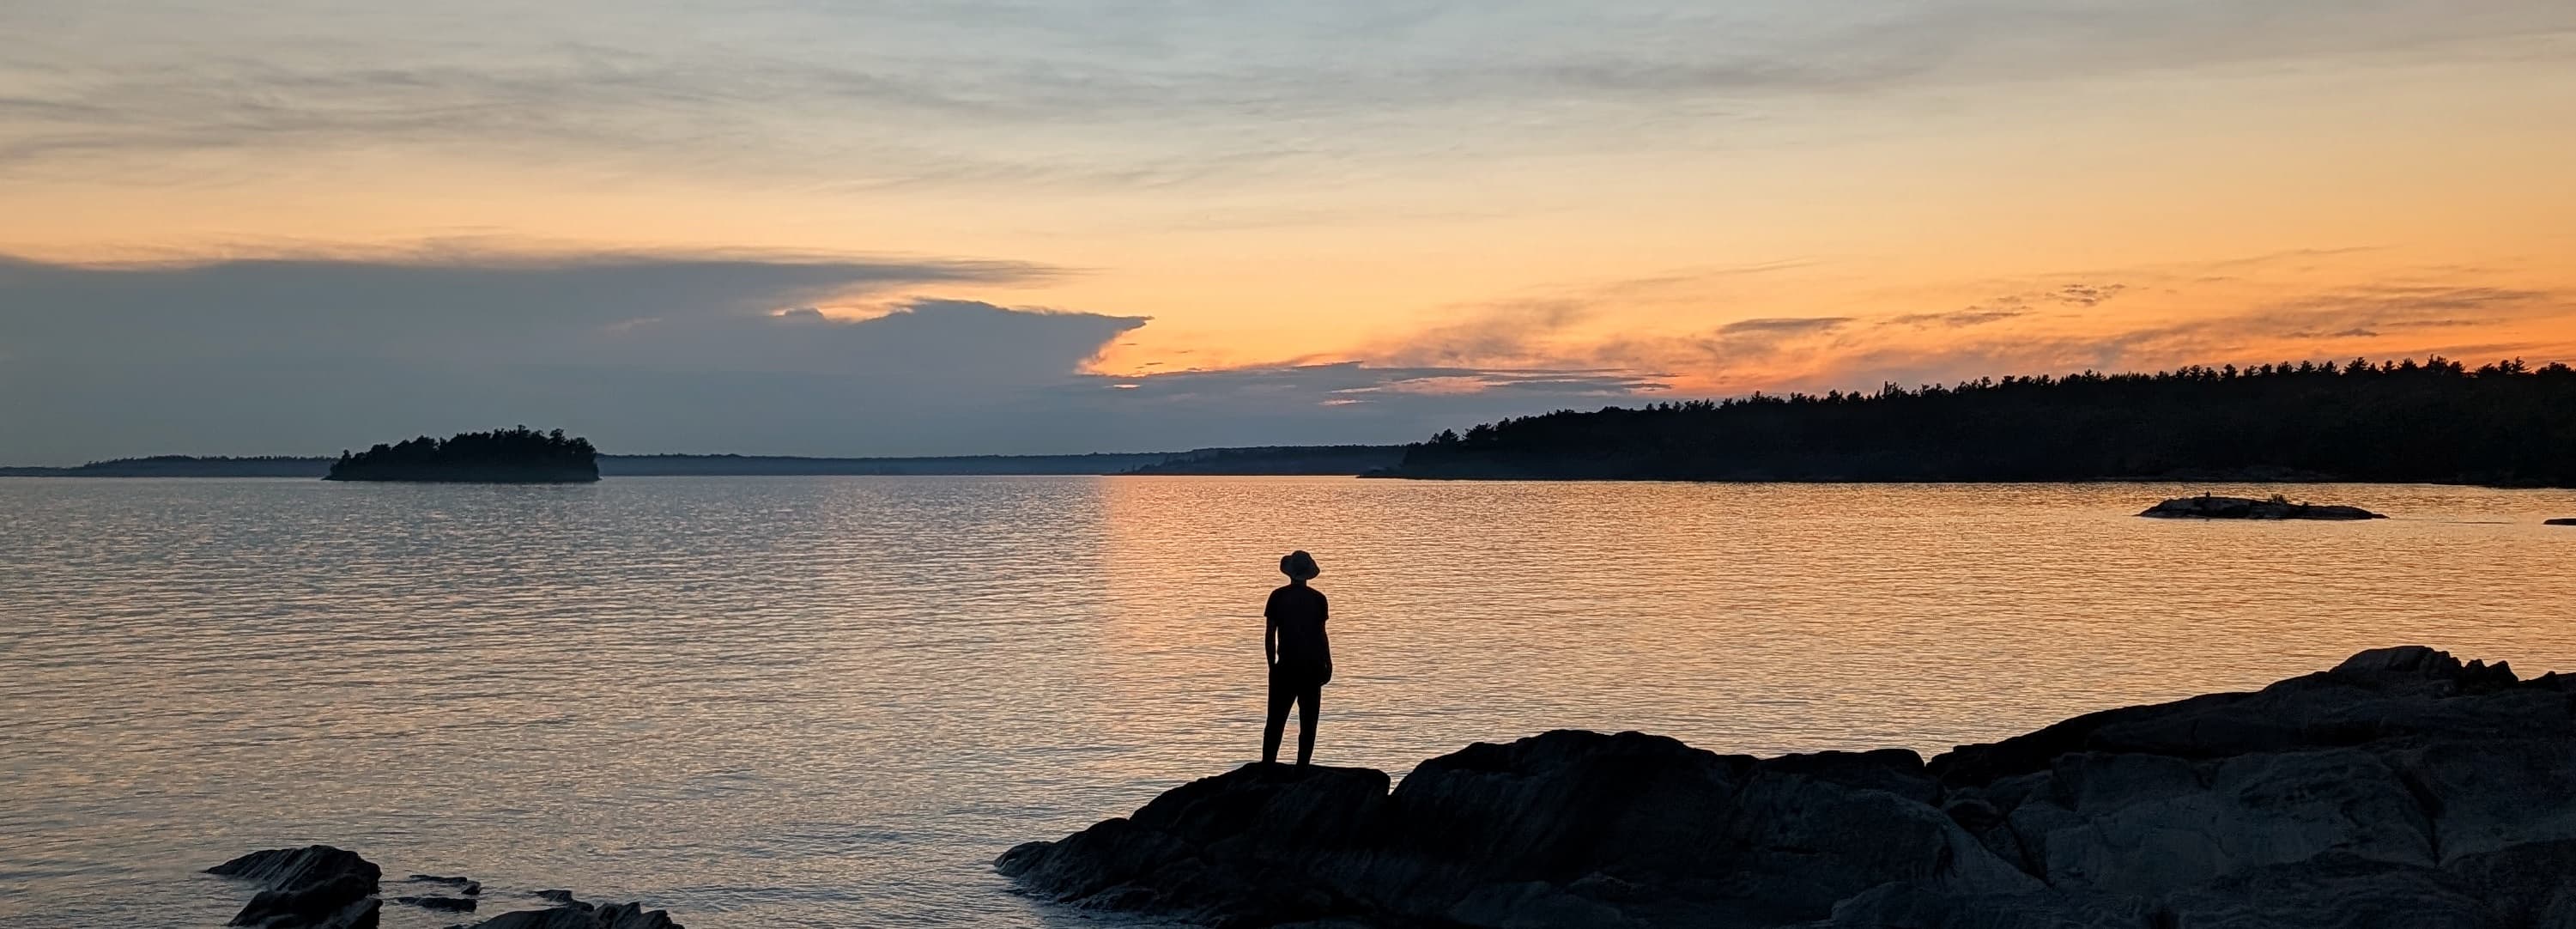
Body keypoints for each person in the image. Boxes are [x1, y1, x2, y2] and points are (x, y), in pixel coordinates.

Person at [1262, 550, 1332, 766]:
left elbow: (1269, 634)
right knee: (1309, 723)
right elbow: (1321, 635)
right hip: (1312, 668)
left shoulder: (1278, 596)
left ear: (1289, 573)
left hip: (1285, 667)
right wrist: (1328, 663)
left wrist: (1271, 665)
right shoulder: (1319, 599)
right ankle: (1302, 768)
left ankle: (1268, 766)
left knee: (1275, 721)